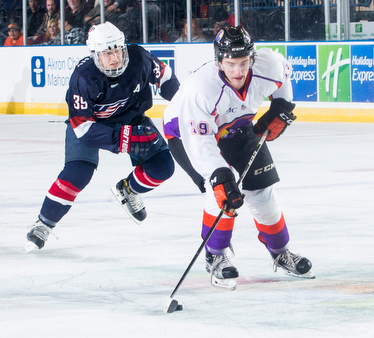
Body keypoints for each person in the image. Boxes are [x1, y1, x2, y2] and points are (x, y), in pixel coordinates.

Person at [163, 26, 314, 290]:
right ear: (219, 61)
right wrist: (220, 175)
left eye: (244, 63)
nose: (238, 72)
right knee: (221, 192)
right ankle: (216, 255)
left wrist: (282, 106)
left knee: (262, 189)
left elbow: (283, 80)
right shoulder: (200, 89)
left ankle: (281, 251)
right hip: (186, 134)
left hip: (236, 127)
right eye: (231, 64)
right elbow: (200, 143)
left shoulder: (270, 64)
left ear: (252, 58)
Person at [24, 22, 180, 253]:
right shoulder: (84, 77)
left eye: (118, 49)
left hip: (131, 117)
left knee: (163, 167)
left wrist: (185, 107)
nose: (115, 57)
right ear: (96, 55)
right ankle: (43, 223)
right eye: (107, 52)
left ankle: (129, 190)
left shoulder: (140, 58)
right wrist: (127, 138)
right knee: (78, 173)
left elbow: (167, 79)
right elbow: (83, 128)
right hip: (92, 126)